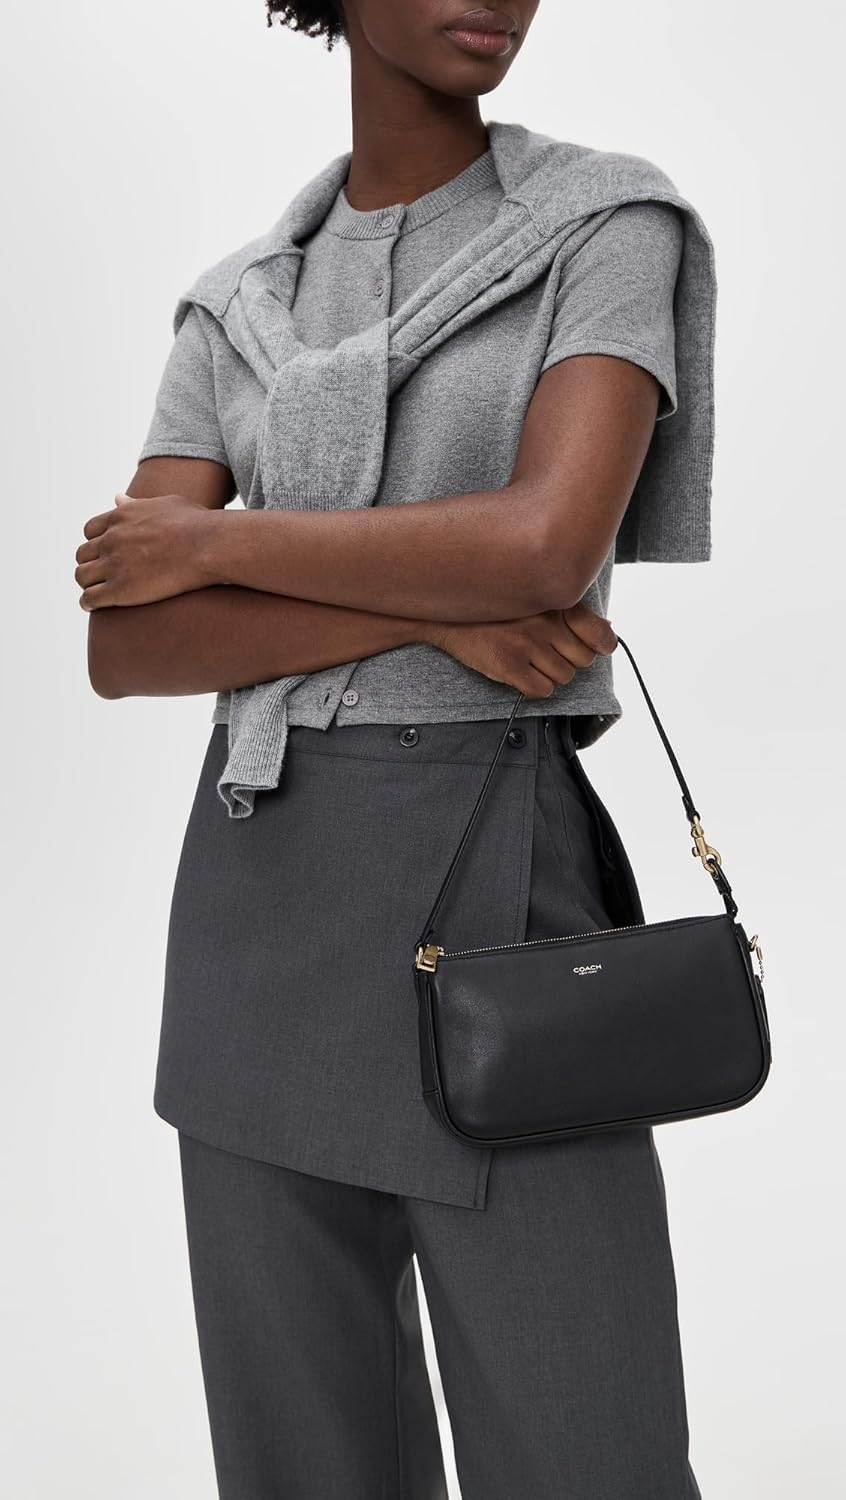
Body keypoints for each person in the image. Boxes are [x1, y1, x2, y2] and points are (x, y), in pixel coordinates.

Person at [75, 3, 707, 1496]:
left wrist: (218, 547)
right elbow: (128, 646)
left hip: (496, 891)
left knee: (590, 1452)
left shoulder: (606, 226)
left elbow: (546, 547)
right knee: (302, 1464)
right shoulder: (234, 306)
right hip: (254, 901)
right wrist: (434, 614)